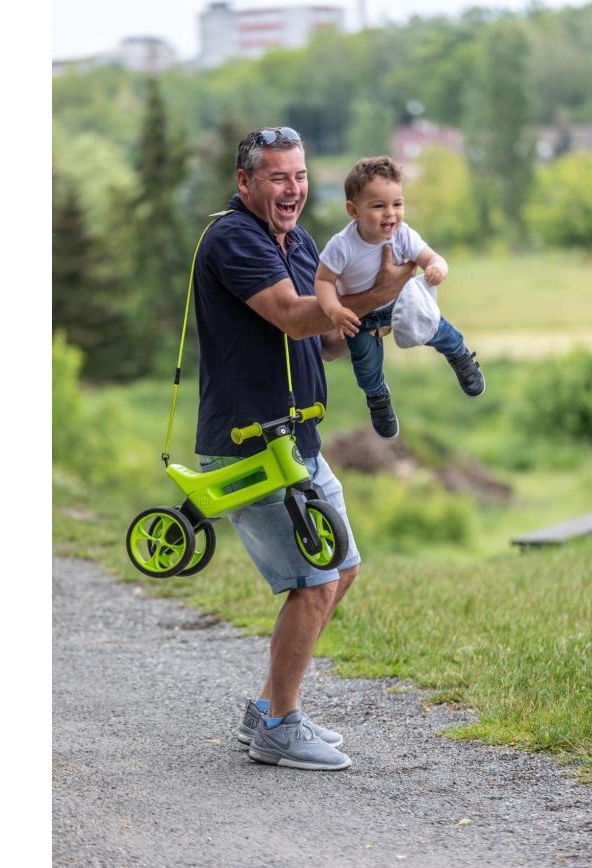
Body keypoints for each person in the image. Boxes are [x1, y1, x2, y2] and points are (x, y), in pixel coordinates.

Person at [192, 127, 416, 771]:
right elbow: (294, 315)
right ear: (245, 184)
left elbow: (317, 337)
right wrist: (380, 291)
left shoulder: (301, 241)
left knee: (339, 568)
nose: (292, 189)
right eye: (276, 177)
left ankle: (268, 708)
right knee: (315, 583)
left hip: (297, 439)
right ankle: (280, 725)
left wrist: (374, 321)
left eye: (299, 175)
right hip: (251, 443)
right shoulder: (234, 239)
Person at [315, 155, 485, 440]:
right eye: (378, 206)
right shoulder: (341, 245)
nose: (390, 214)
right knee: (366, 366)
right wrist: (334, 311)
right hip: (361, 318)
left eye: (397, 204)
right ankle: (378, 398)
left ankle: (460, 356)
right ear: (353, 210)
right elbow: (323, 281)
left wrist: (436, 268)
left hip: (402, 304)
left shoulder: (403, 235)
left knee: (437, 328)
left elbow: (433, 257)